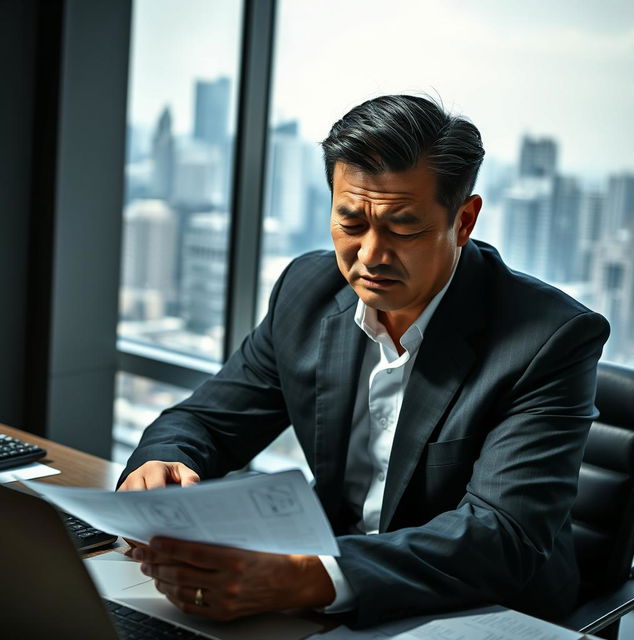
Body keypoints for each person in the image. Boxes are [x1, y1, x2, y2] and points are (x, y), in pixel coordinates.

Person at [118, 95, 609, 627]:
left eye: (402, 227)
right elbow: (206, 420)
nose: (371, 255)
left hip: (481, 609)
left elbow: (501, 536)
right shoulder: (306, 291)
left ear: (463, 221)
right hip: (316, 594)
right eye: (350, 222)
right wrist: (163, 466)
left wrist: (306, 575)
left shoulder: (549, 338)